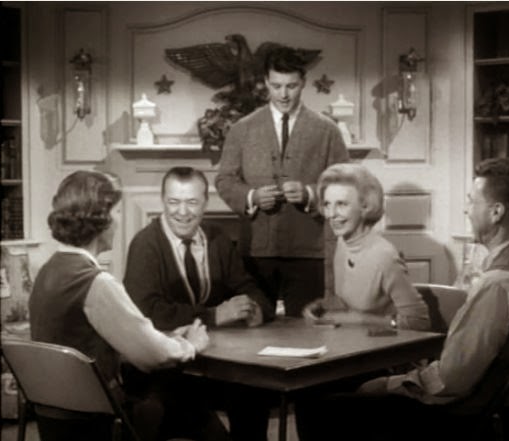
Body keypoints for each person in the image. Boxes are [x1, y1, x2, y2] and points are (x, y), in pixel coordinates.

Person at [295, 158, 509, 441]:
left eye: (471, 201)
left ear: (496, 212)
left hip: (464, 421)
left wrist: (388, 385)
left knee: (315, 404)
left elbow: (450, 381)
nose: (466, 209)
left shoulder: (499, 284)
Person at [28, 170, 227, 441]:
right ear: (100, 219)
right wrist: (190, 345)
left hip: (56, 419)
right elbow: (152, 355)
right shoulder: (95, 283)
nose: (119, 221)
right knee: (190, 403)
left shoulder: (49, 270)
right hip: (99, 421)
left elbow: (113, 340)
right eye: (117, 212)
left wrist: (166, 338)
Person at [123, 166, 274, 441]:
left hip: (213, 365)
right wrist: (213, 315)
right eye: (174, 202)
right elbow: (147, 312)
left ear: (205, 203)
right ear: (163, 201)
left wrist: (257, 309)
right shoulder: (145, 244)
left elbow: (249, 288)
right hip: (164, 370)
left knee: (254, 390)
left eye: (192, 202)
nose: (183, 212)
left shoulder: (217, 239)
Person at [215, 45, 349, 317]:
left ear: (303, 82)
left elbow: (345, 184)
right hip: (256, 250)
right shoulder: (242, 129)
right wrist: (252, 197)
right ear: (266, 83)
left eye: (291, 86)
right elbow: (224, 179)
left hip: (309, 251)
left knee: (307, 329)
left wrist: (310, 194)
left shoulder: (327, 131)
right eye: (276, 86)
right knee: (254, 327)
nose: (284, 94)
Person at [301, 163, 430, 331]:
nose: (331, 214)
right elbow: (351, 301)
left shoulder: (384, 256)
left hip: (385, 344)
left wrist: (359, 320)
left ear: (365, 206)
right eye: (327, 204)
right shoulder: (342, 243)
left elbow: (419, 322)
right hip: (353, 340)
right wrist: (321, 307)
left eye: (341, 204)